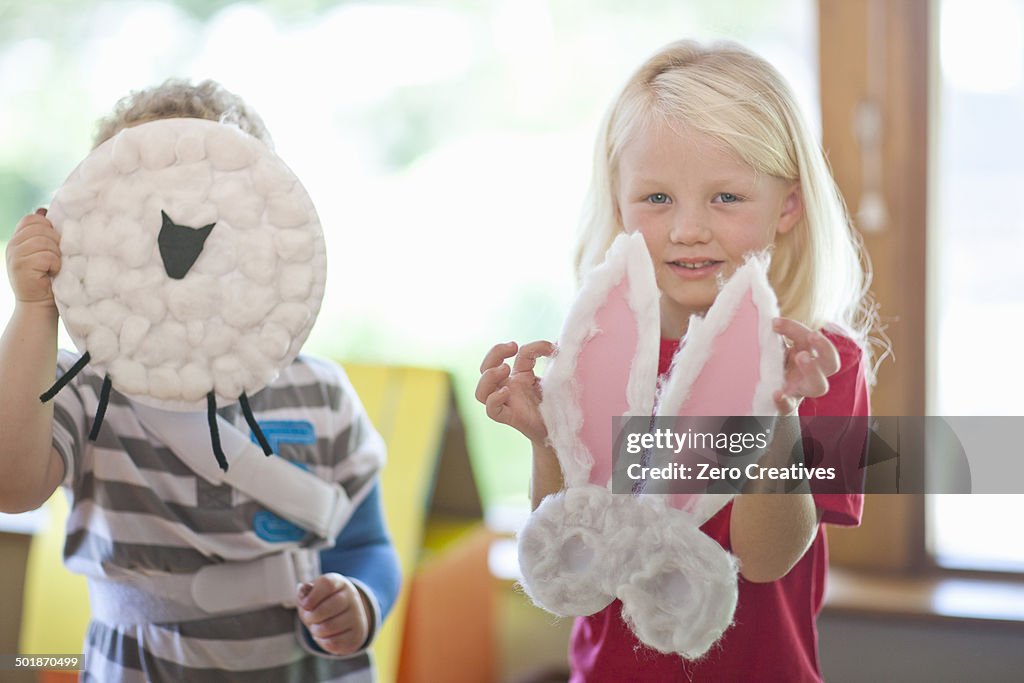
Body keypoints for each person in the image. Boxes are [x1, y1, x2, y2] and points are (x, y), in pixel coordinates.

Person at [477, 39, 877, 682]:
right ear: (617, 199)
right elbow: (571, 547)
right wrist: (545, 440)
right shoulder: (595, 351)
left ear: (789, 206)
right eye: (657, 199)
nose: (689, 228)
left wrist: (778, 416)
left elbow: (767, 559)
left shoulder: (823, 366)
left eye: (726, 198)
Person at [0, 79, 401, 682]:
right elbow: (11, 486)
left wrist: (363, 602)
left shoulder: (321, 392)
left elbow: (367, 544)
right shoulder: (84, 392)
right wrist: (35, 311)